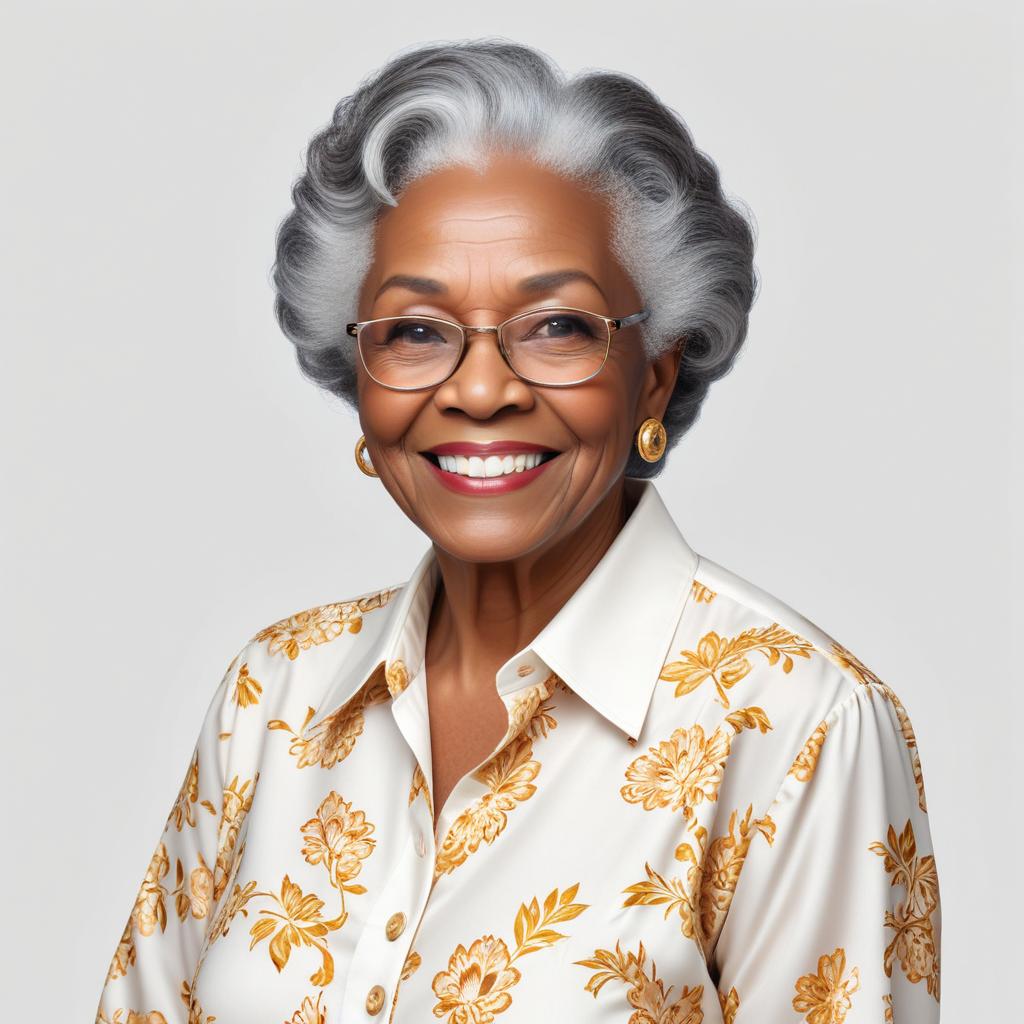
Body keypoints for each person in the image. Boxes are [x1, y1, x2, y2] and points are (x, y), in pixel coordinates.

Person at [96, 38, 940, 1024]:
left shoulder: (796, 724)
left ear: (654, 375)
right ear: (359, 376)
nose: (481, 389)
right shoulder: (272, 697)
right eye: (415, 331)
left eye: (558, 326)